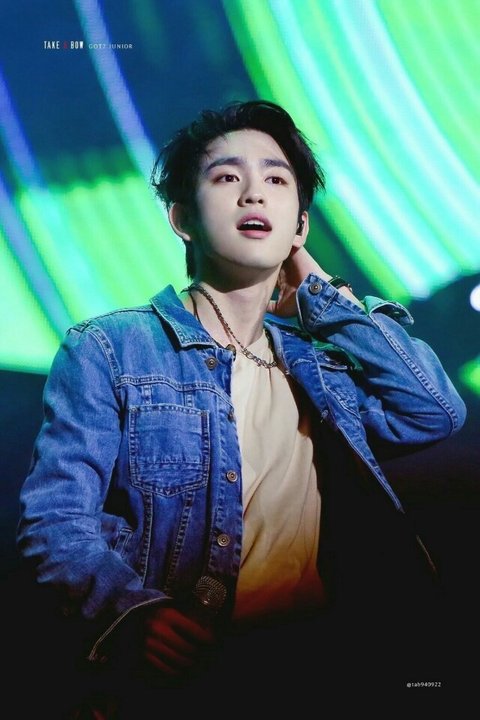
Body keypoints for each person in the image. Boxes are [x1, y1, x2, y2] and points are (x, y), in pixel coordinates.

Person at [16, 100, 466, 714]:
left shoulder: (320, 365)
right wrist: (132, 612)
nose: (254, 193)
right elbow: (56, 519)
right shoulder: (111, 347)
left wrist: (323, 297)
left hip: (320, 670)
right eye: (227, 177)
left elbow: (434, 410)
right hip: (182, 679)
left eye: (277, 180)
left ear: (299, 227)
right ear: (181, 218)